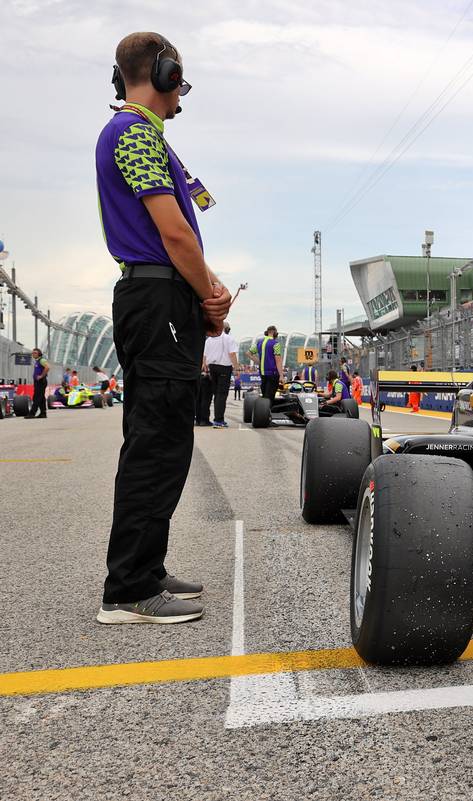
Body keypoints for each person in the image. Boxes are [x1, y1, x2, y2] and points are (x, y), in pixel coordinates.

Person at [95, 32, 232, 625]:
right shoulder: (133, 133)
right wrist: (211, 297)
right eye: (182, 80)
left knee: (166, 438)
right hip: (158, 298)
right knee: (157, 441)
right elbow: (173, 233)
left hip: (162, 293)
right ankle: (128, 589)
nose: (183, 95)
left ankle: (145, 570)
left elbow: (178, 236)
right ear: (165, 71)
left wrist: (209, 286)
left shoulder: (140, 135)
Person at [202, 322, 239, 428]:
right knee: (221, 394)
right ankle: (218, 420)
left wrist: (205, 365)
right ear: (226, 329)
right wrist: (236, 367)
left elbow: (204, 355)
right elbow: (232, 354)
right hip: (224, 367)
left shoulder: (209, 340)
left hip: (212, 367)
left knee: (216, 394)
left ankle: (217, 418)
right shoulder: (229, 339)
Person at [251, 325, 284, 400]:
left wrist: (259, 361)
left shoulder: (259, 342)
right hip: (273, 374)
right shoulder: (275, 343)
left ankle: (263, 410)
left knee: (265, 395)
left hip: (262, 373)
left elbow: (248, 353)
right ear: (275, 333)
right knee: (269, 397)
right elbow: (278, 361)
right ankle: (267, 410)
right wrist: (281, 376)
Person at [26, 348, 49, 419]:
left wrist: (41, 376)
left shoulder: (42, 360)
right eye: (33, 353)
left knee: (36, 397)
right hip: (38, 382)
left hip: (41, 381)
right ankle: (43, 413)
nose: (33, 354)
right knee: (41, 398)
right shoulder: (37, 361)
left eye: (35, 353)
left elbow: (47, 367)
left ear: (39, 353)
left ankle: (32, 413)